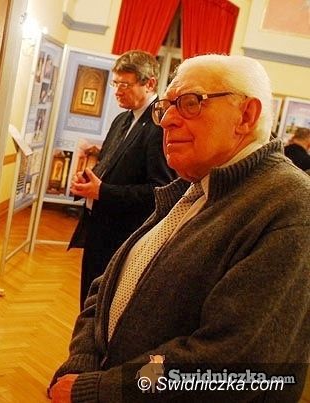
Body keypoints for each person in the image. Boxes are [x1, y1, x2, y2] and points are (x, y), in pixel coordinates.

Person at [50, 54, 310, 402]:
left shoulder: (290, 206)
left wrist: (101, 389)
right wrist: (83, 360)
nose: (167, 120)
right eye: (166, 106)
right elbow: (106, 285)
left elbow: (228, 363)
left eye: (190, 103)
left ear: (246, 116)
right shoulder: (193, 186)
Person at [68, 50, 175, 309]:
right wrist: (89, 179)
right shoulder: (122, 119)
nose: (116, 91)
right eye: (115, 83)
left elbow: (160, 190)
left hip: (123, 236)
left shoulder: (159, 126)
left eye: (124, 85)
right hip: (98, 227)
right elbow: (112, 162)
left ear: (149, 83)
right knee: (88, 303)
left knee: (105, 307)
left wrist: (102, 191)